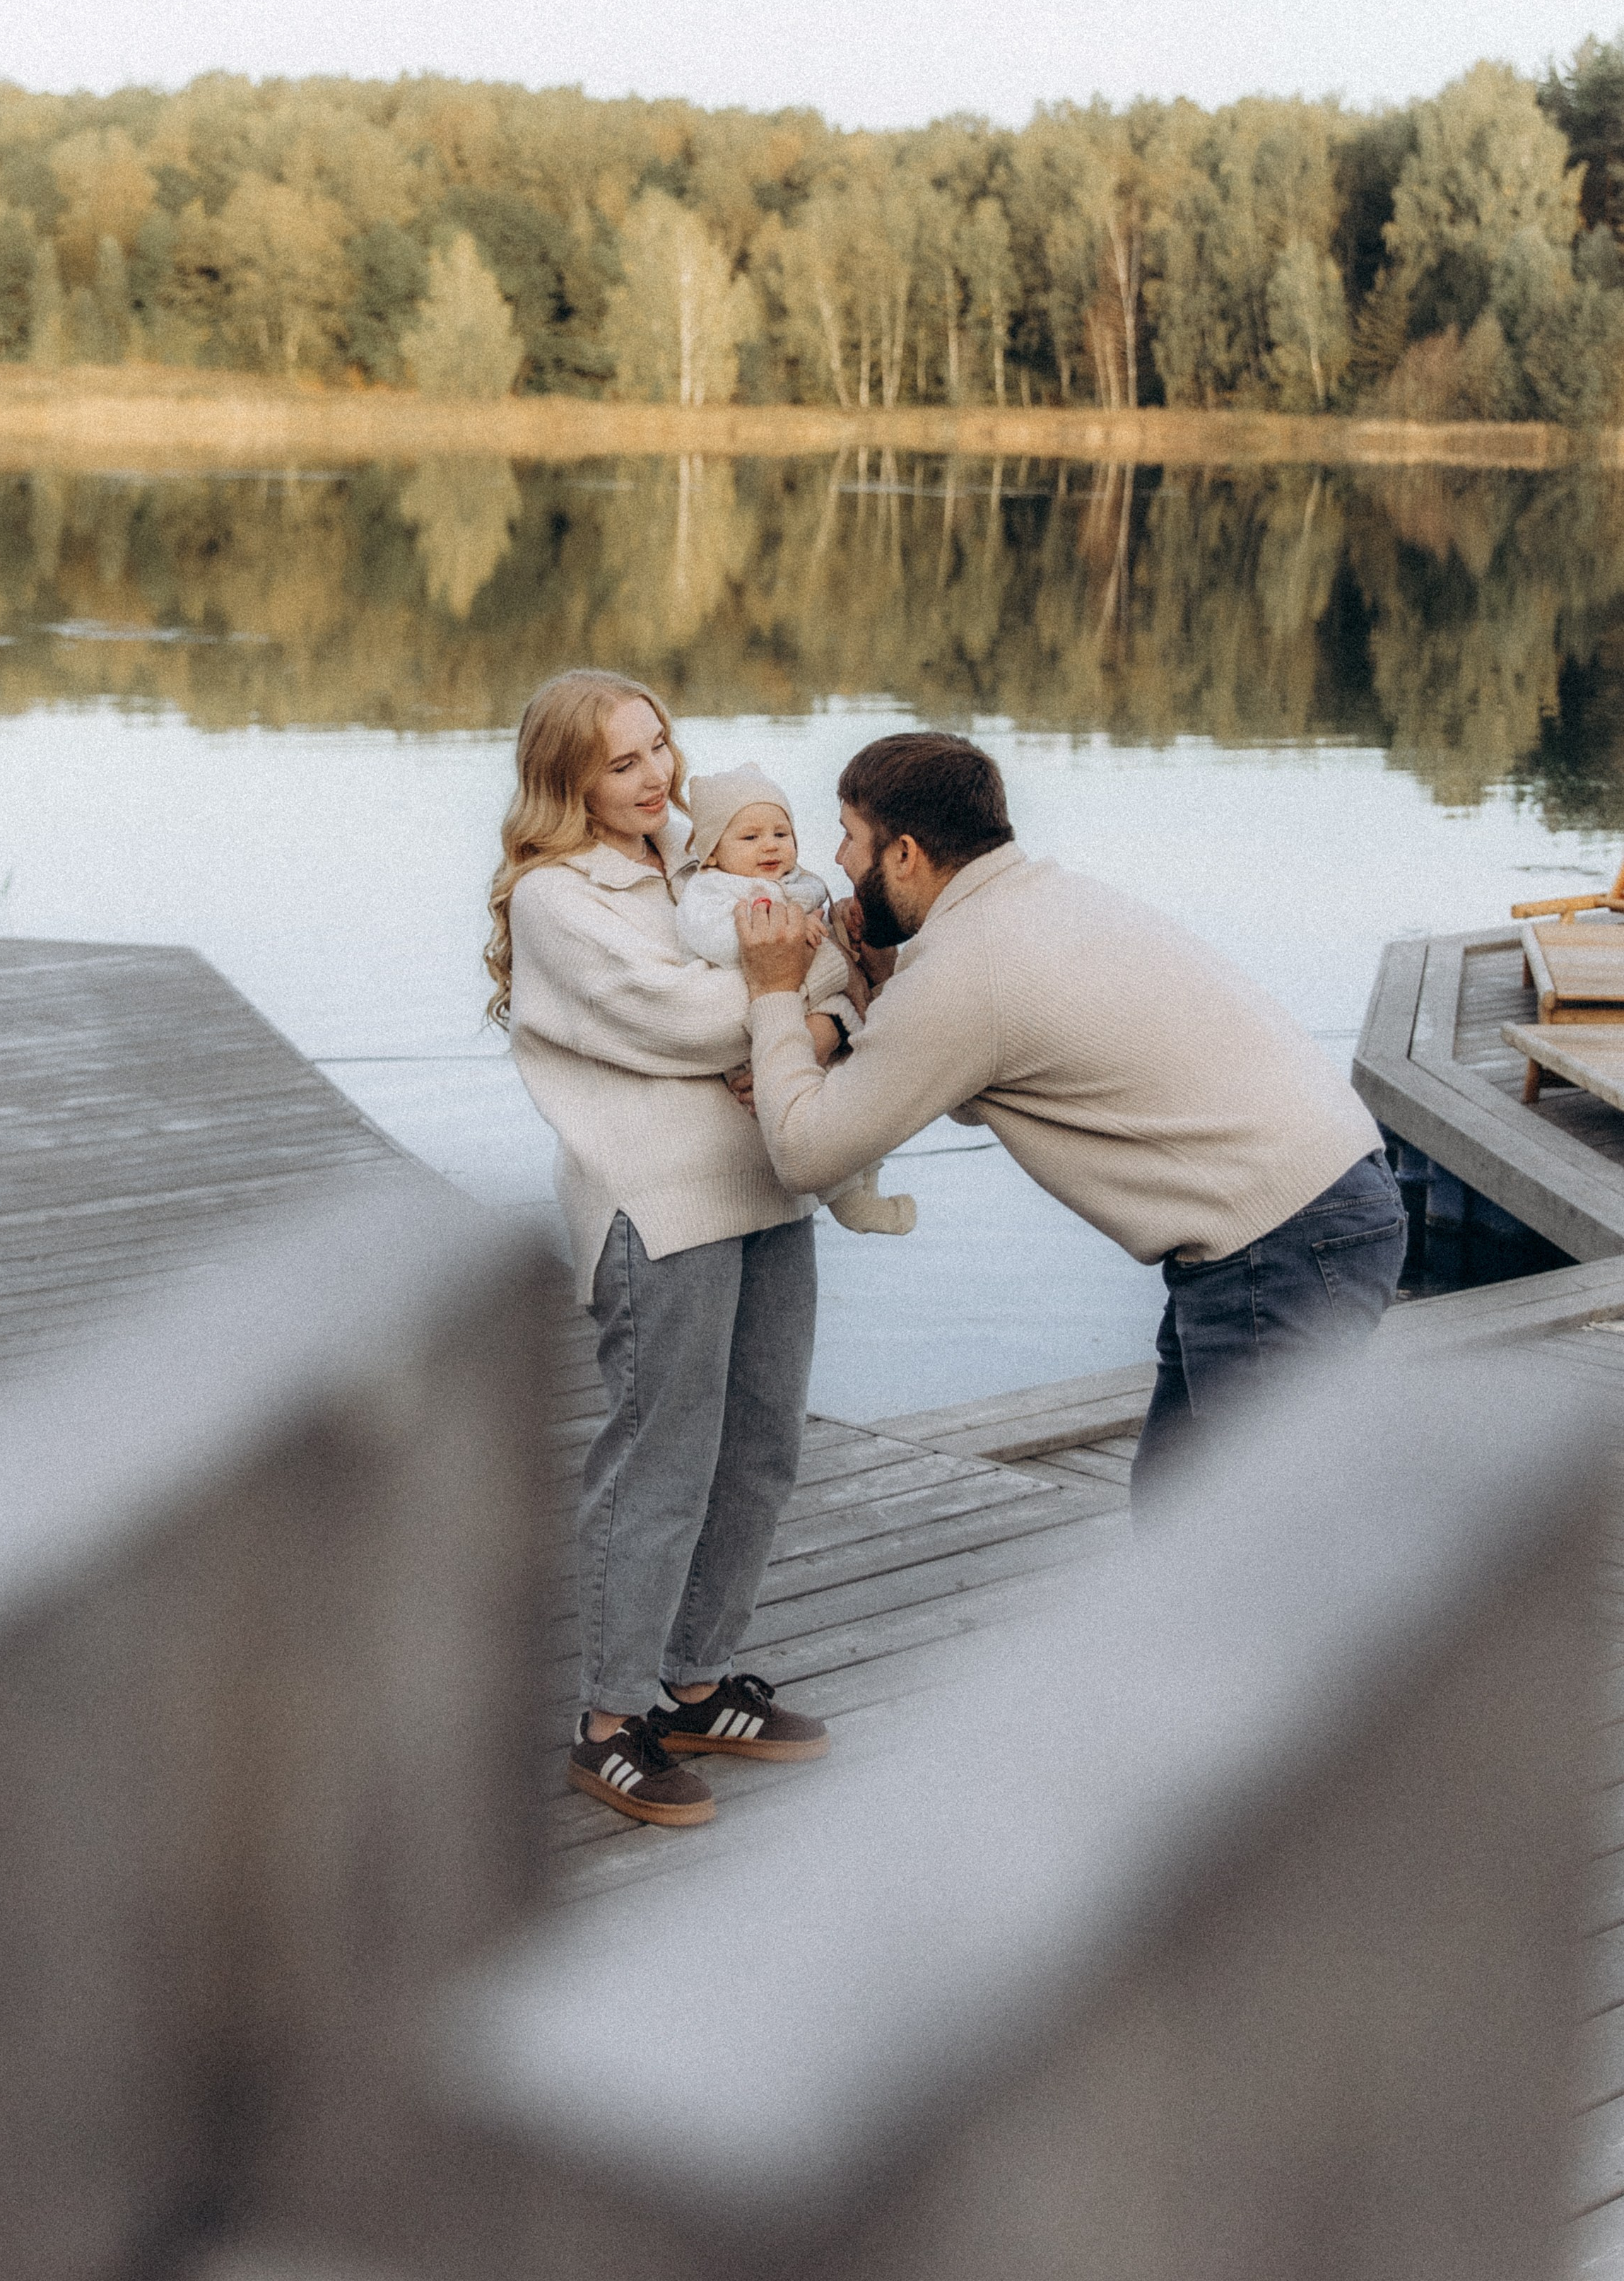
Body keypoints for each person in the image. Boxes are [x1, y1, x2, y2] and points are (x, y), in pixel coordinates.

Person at [731, 729, 1406, 1499]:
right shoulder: (1041, 899)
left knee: (1244, 1553)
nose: (838, 862)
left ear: (906, 854)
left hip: (1280, 1240)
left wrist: (774, 992)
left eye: (851, 838)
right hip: (1324, 1199)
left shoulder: (966, 967)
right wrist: (888, 988)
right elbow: (988, 1072)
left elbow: (807, 1153)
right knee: (1180, 1517)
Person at [486, 669, 834, 1830]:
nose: (656, 775)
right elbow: (682, 1019)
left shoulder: (703, 852)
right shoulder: (557, 896)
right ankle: (608, 1718)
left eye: (659, 746)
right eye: (624, 760)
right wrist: (783, 993)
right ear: (568, 777)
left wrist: (807, 997)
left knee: (765, 1440)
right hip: (660, 1204)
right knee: (661, 1455)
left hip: (770, 1181)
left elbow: (826, 954)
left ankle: (692, 1681)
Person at [676, 761, 914, 1237]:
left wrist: (847, 928)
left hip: (819, 1011)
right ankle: (848, 1200)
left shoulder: (802, 884)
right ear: (713, 854)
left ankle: (869, 1173)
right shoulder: (709, 893)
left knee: (856, 1096)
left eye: (781, 833)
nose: (770, 845)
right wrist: (783, 922)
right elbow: (723, 943)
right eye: (749, 837)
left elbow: (827, 943)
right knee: (815, 1118)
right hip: (760, 1025)